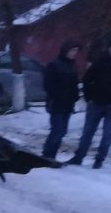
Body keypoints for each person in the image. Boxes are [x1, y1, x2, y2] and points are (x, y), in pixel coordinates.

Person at [68, 37, 111, 168]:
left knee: (107, 135)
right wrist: (89, 97)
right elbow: (86, 80)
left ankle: (99, 160)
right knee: (87, 132)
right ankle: (78, 157)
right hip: (95, 104)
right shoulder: (99, 63)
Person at [41, 40, 82, 160]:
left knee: (62, 131)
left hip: (68, 104)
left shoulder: (72, 65)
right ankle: (47, 155)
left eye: (76, 50)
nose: (75, 53)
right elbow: (48, 85)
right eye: (73, 50)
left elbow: (74, 84)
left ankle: (52, 155)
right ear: (66, 50)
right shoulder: (54, 64)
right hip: (56, 103)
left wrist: (75, 95)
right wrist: (60, 95)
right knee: (57, 130)